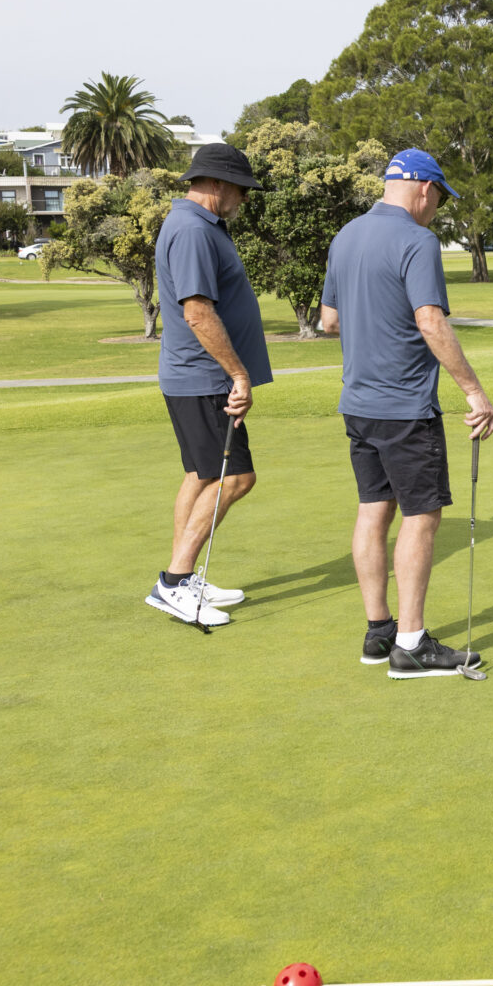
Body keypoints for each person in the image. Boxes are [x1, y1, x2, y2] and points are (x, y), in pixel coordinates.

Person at [320, 149, 493, 675]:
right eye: (440, 197)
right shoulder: (418, 240)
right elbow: (430, 321)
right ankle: (412, 645)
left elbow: (329, 321)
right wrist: (474, 392)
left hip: (358, 405)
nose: (437, 208)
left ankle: (379, 632)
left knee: (374, 510)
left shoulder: (346, 235)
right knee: (421, 516)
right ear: (424, 188)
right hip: (405, 407)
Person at [145, 142, 274, 628]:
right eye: (241, 189)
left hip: (194, 376)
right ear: (217, 184)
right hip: (203, 378)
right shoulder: (193, 230)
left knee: (200, 475)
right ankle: (174, 582)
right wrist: (238, 374)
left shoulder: (199, 225)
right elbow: (197, 312)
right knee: (236, 477)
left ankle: (182, 578)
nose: (244, 198)